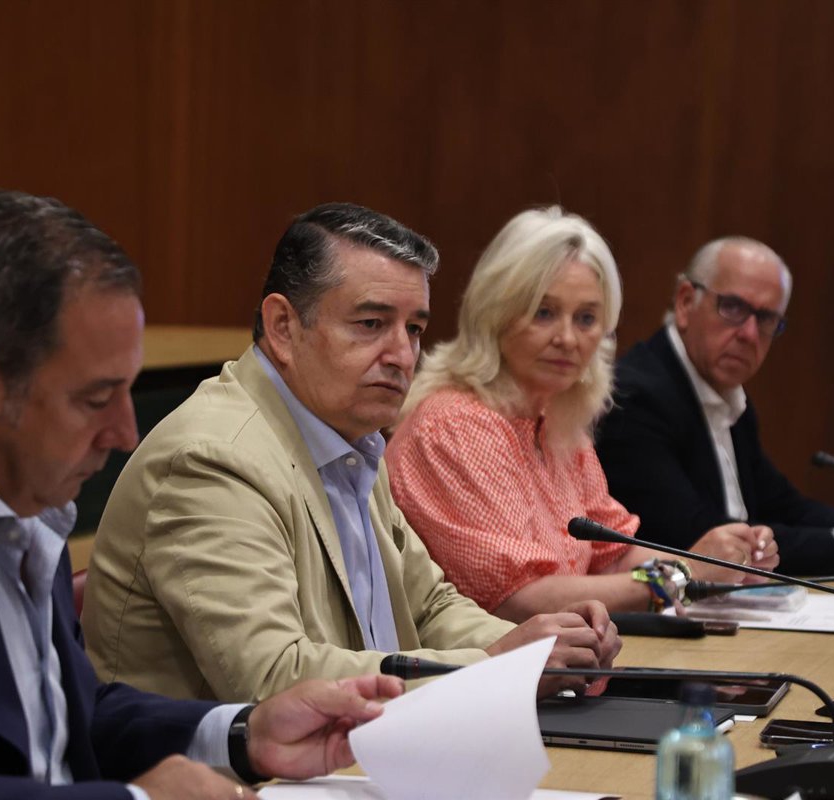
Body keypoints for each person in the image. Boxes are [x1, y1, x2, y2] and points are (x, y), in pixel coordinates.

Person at [0, 191, 405, 800]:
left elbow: (66, 715)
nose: (126, 434)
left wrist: (242, 732)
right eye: (96, 398)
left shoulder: (21, 496)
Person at [82, 202, 620, 704]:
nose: (403, 355)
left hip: (361, 745)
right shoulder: (212, 460)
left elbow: (428, 606)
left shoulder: (350, 436)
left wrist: (544, 646)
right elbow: (273, 678)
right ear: (283, 327)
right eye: (371, 324)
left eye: (414, 329)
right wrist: (495, 666)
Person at [384, 207, 778, 621]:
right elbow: (518, 601)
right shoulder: (455, 425)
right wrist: (684, 574)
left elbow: (614, 556)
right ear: (495, 312)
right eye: (544, 312)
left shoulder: (556, 421)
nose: (568, 338)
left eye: (586, 318)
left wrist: (718, 562)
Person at [596, 236, 834, 576]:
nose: (749, 334)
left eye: (766, 318)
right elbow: (697, 538)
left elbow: (781, 504)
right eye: (733, 307)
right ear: (686, 302)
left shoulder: (727, 395)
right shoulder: (634, 397)